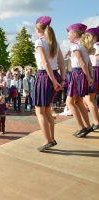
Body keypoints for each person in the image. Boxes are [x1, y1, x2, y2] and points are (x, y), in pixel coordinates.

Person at [32, 16, 64, 152]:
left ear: (37, 28)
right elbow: (62, 63)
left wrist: (55, 81)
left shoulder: (39, 42)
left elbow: (44, 64)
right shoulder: (54, 43)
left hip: (45, 77)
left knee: (40, 111)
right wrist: (61, 80)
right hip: (54, 75)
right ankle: (51, 138)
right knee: (47, 111)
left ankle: (47, 140)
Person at [66, 23, 93, 138]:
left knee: (70, 102)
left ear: (75, 34)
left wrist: (88, 77)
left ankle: (81, 127)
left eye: (69, 33)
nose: (67, 36)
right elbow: (89, 64)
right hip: (81, 74)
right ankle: (87, 126)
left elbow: (82, 63)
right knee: (79, 102)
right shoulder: (83, 46)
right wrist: (89, 76)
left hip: (77, 74)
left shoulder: (75, 46)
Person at [81, 27, 99, 136]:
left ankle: (96, 121)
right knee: (90, 99)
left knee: (89, 99)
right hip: (94, 71)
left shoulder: (96, 46)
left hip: (94, 71)